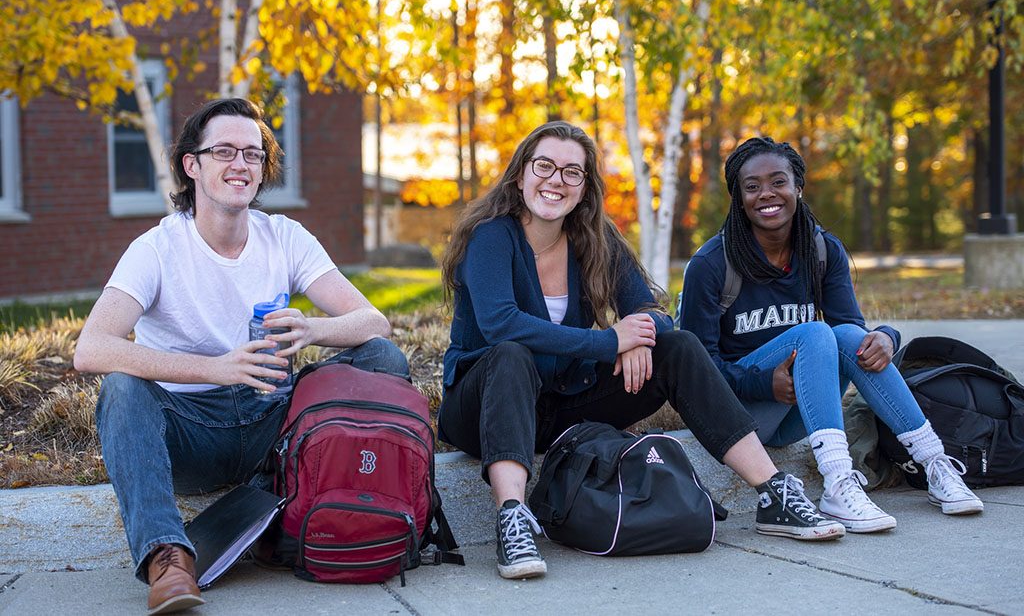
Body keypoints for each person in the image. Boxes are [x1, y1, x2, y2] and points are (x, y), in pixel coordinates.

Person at [438, 122, 846, 581]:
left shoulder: (593, 238)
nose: (556, 180)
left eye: (572, 172)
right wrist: (610, 341)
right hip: (482, 408)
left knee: (677, 345)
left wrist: (643, 332)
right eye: (545, 166)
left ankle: (773, 493)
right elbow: (500, 323)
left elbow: (653, 310)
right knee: (511, 352)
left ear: (584, 188)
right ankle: (512, 518)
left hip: (561, 410)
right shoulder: (492, 237)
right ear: (520, 176)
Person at [73, 98, 408, 614]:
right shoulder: (156, 249)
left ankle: (290, 505)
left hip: (275, 419)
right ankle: (169, 557)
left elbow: (373, 322)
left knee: (382, 360)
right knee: (121, 387)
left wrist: (313, 327)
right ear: (193, 165)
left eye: (252, 154)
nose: (241, 165)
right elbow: (91, 348)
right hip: (191, 430)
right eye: (224, 151)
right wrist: (215, 367)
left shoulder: (285, 236)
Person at [678, 136, 983, 534]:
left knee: (848, 338)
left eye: (778, 182)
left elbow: (850, 329)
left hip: (796, 414)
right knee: (815, 333)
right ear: (738, 197)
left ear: (798, 187)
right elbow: (695, 371)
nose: (766, 194)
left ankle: (935, 465)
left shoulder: (822, 250)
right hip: (740, 416)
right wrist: (762, 383)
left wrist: (887, 336)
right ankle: (838, 481)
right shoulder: (711, 264)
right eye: (752, 187)